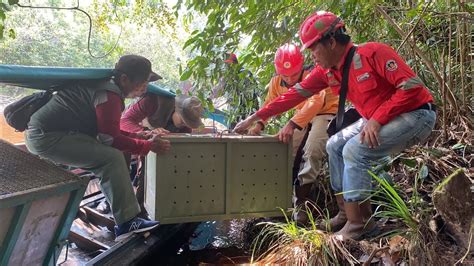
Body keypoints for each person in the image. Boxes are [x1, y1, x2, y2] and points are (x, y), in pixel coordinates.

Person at [234, 11, 436, 240]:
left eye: (313, 48)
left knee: (354, 150)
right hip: (380, 119)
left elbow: (412, 88)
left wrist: (377, 119)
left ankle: (358, 225)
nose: (312, 56)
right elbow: (292, 96)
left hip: (416, 115)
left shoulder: (374, 52)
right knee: (335, 144)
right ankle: (346, 213)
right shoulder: (328, 72)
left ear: (331, 41)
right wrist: (254, 118)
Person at [25, 55, 170, 241]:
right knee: (111, 158)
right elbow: (109, 139)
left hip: (58, 135)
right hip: (46, 137)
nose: (143, 89)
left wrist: (138, 137)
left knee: (111, 155)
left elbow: (108, 131)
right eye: (141, 83)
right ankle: (127, 223)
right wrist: (147, 146)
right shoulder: (108, 93)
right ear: (125, 79)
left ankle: (125, 216)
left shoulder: (109, 89)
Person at [247, 43, 338, 224]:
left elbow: (316, 102)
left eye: (294, 74)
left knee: (312, 150)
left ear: (301, 66)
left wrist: (291, 124)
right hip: (303, 117)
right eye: (285, 75)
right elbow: (269, 106)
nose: (289, 79)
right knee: (286, 150)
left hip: (325, 112)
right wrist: (258, 125)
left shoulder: (313, 73)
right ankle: (281, 203)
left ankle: (302, 205)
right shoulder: (275, 82)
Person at [120, 93, 205, 217]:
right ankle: (117, 204)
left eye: (189, 123)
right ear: (177, 109)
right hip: (128, 133)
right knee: (121, 169)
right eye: (183, 120)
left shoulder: (185, 128)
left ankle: (139, 210)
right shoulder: (153, 100)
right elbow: (124, 121)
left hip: (151, 142)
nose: (185, 125)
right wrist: (147, 132)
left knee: (147, 173)